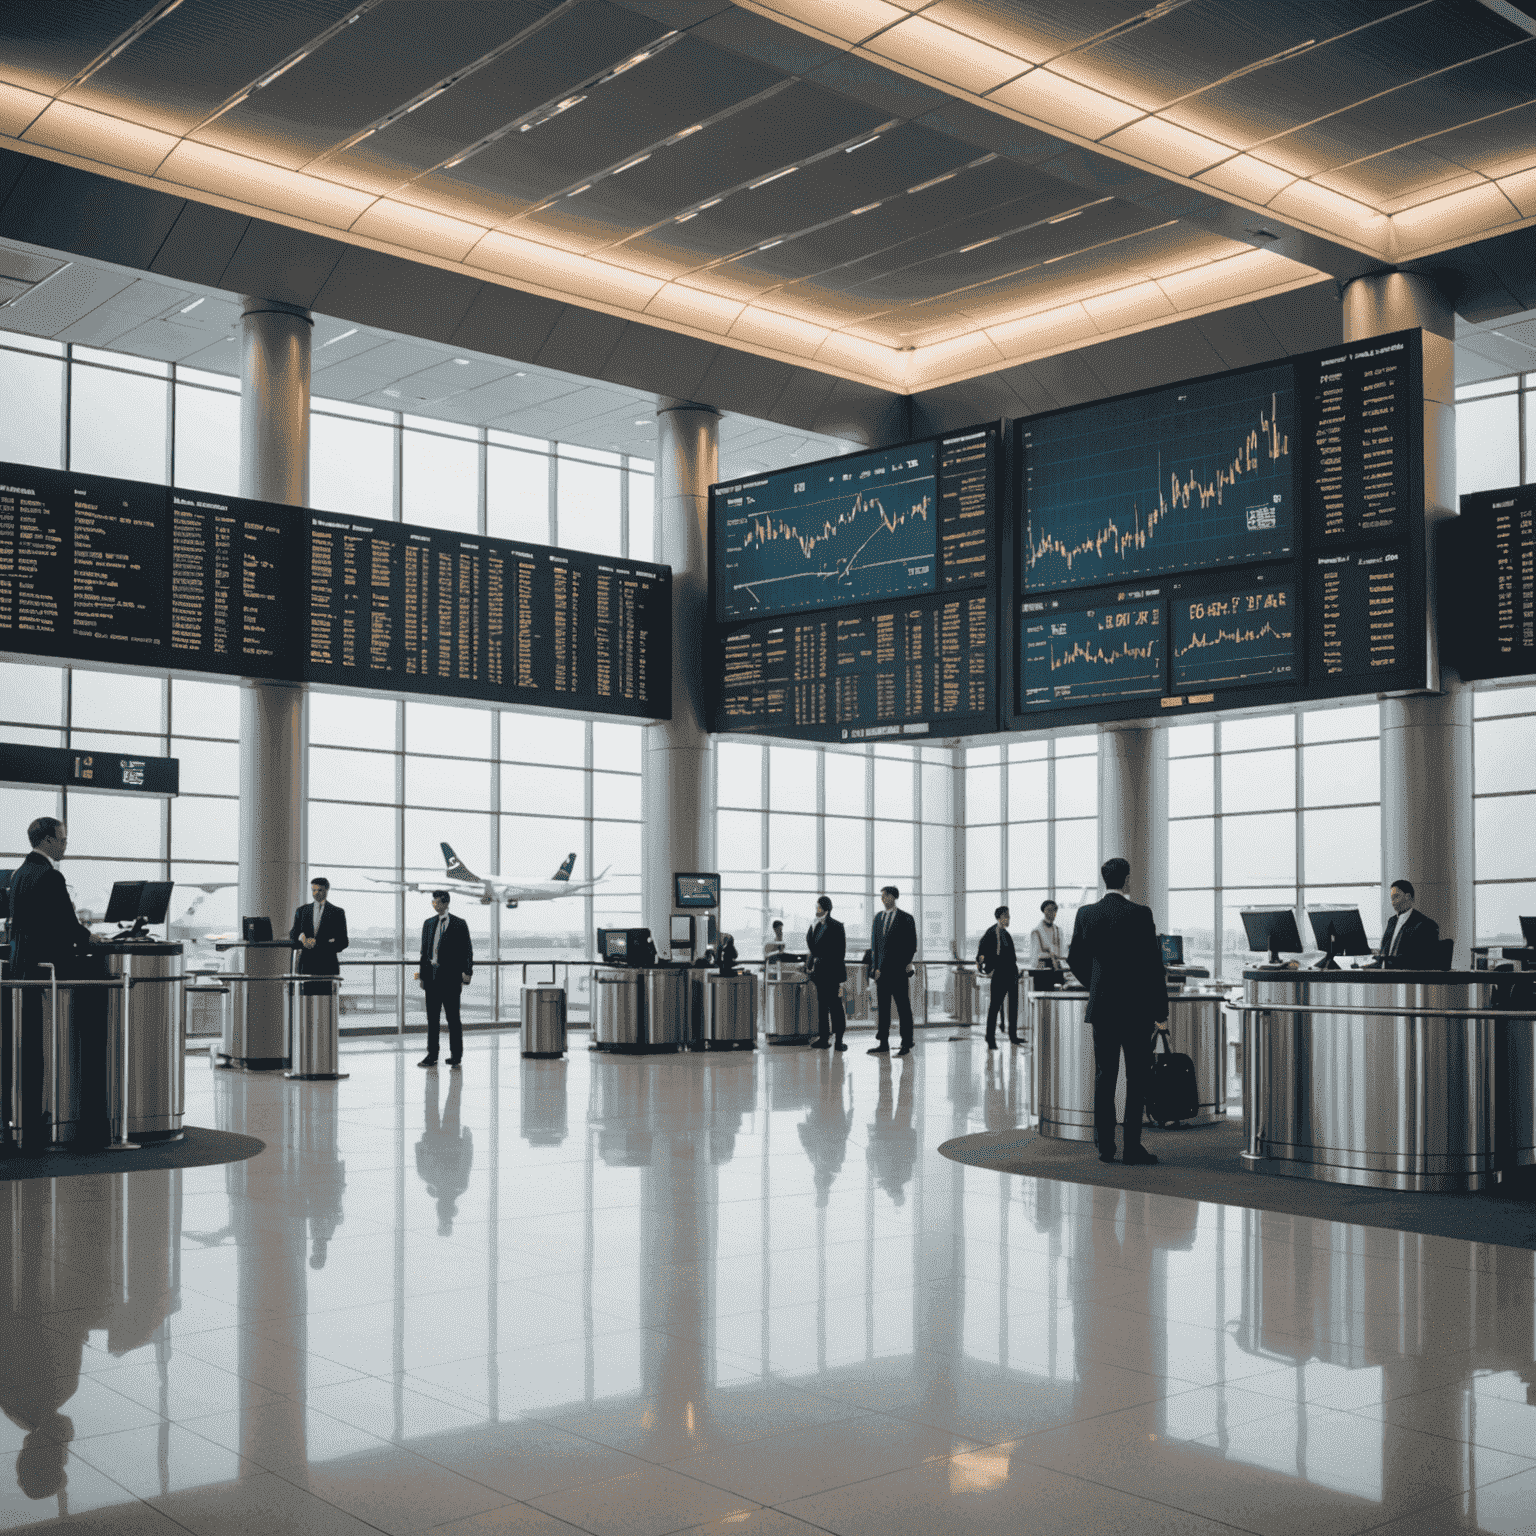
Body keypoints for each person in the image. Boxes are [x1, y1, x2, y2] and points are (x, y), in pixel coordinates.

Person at [6, 817, 103, 1151]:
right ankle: (59, 1117)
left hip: (24, 969)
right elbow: (65, 924)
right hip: (46, 972)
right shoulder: (49, 875)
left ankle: (29, 1116)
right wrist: (92, 937)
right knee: (43, 1046)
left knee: (28, 1047)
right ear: (46, 840)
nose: (65, 845)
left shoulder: (20, 874)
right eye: (62, 839)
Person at [1067, 856, 1168, 1166]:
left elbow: (1074, 959)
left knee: (1104, 1077)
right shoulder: (1140, 914)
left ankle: (1105, 1148)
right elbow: (1153, 966)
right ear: (1127, 881)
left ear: (1104, 880)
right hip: (1136, 1010)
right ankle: (1132, 1148)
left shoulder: (1087, 914)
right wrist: (1160, 1011)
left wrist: (1096, 984)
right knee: (1137, 1078)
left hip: (1103, 1009)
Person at [417, 890, 473, 1069]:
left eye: (437, 902)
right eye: (433, 902)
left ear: (446, 903)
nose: (434, 905)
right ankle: (432, 1054)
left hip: (450, 979)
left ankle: (456, 1055)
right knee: (432, 1020)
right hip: (432, 979)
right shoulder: (428, 923)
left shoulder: (459, 924)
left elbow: (467, 950)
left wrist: (468, 971)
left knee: (453, 1019)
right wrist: (422, 976)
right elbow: (423, 952)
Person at [869, 885, 917, 1057]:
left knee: (903, 1008)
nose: (882, 899)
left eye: (885, 896)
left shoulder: (906, 918)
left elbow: (911, 945)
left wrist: (903, 964)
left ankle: (906, 1042)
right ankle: (883, 1043)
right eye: (881, 896)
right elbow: (874, 946)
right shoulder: (878, 918)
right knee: (883, 1009)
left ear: (893, 897)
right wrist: (874, 968)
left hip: (898, 972)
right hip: (881, 973)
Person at [290, 877, 348, 997]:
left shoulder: (337, 913)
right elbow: (293, 935)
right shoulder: (301, 911)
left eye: (320, 890)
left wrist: (318, 943)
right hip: (306, 967)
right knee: (304, 1007)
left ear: (327, 890)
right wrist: (303, 941)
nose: (316, 893)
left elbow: (343, 942)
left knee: (327, 1007)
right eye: (314, 890)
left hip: (327, 967)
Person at [805, 895, 847, 1051]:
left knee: (836, 1007)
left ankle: (839, 1040)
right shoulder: (817, 925)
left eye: (818, 907)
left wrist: (839, 978)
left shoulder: (836, 926)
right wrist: (811, 927)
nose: (816, 910)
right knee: (822, 1007)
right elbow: (813, 948)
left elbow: (840, 953)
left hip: (833, 974)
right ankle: (824, 1039)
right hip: (820, 974)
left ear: (825, 909)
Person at [975, 905, 1019, 1049]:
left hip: (1011, 973)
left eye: (1009, 915)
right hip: (1000, 974)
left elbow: (1012, 956)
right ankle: (990, 1038)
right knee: (994, 1006)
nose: (1009, 918)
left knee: (1013, 1006)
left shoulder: (1006, 934)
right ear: (999, 917)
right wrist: (983, 962)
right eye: (1006, 916)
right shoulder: (991, 932)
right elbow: (982, 951)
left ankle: (1013, 1036)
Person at [1379, 879, 1441, 968]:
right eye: (1392, 898)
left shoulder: (1427, 924)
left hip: (1408, 976)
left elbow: (1422, 959)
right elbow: (1384, 948)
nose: (1393, 902)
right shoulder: (1391, 921)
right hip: (1386, 974)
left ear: (1407, 896)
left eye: (1396, 897)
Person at [1029, 900, 1066, 971]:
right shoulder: (1036, 931)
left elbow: (1062, 951)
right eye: (1049, 910)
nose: (1052, 913)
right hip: (1043, 966)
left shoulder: (1058, 930)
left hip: (1057, 966)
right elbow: (1034, 955)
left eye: (1054, 910)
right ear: (1044, 911)